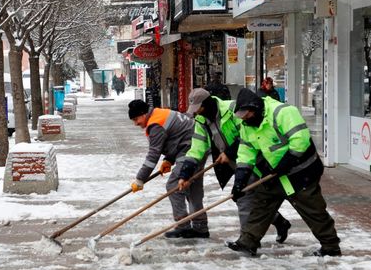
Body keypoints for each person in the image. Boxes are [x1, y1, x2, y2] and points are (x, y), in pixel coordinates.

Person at [226, 88, 341, 257]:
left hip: (301, 172)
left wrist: (286, 163)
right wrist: (240, 180)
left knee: (313, 210)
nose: (244, 120)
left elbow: (300, 140)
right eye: (241, 117)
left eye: (246, 115)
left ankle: (330, 246)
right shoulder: (247, 125)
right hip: (274, 173)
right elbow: (246, 152)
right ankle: (248, 242)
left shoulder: (283, 112)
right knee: (261, 206)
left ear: (255, 108)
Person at [177, 88, 291, 242]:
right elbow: (196, 149)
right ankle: (278, 222)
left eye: (199, 108)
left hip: (255, 159)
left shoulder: (234, 110)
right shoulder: (201, 121)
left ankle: (247, 240)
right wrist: (185, 174)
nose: (197, 113)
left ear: (207, 103)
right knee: (252, 196)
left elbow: (249, 135)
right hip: (237, 163)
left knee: (244, 196)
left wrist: (229, 153)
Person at [128, 99, 209, 238]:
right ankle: (200, 227)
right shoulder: (159, 113)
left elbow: (152, 156)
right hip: (197, 145)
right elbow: (176, 137)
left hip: (191, 150)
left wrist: (140, 179)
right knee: (191, 187)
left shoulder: (155, 125)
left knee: (174, 185)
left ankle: (183, 225)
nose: (136, 123)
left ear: (144, 114)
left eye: (136, 119)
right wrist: (169, 159)